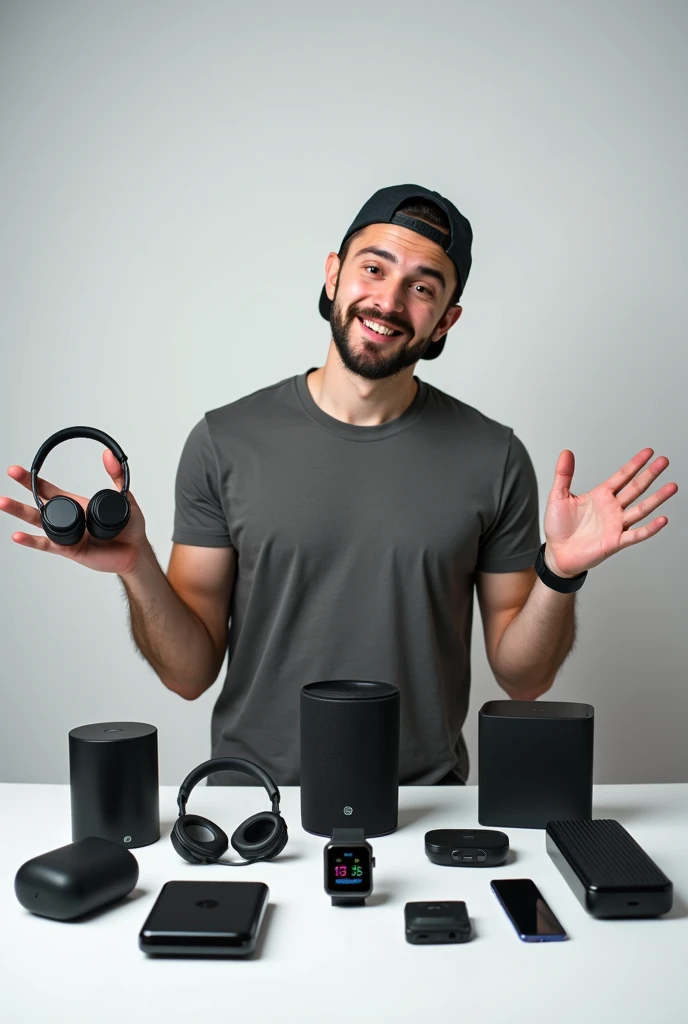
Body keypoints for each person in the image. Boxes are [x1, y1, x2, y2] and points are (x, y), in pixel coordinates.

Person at [2, 184, 677, 787]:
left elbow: (524, 679)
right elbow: (188, 675)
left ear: (446, 320)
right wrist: (137, 566)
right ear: (334, 275)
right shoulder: (223, 442)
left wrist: (557, 572)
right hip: (259, 805)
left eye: (423, 285)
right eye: (374, 268)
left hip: (420, 806)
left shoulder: (494, 457)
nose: (388, 299)